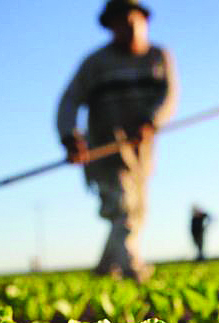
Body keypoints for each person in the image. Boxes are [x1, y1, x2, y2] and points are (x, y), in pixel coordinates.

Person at [56, 0, 178, 281]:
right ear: (111, 27)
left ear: (144, 21)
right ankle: (132, 270)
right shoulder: (95, 64)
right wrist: (69, 136)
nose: (129, 28)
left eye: (134, 21)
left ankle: (104, 269)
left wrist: (152, 121)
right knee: (122, 206)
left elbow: (168, 95)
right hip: (105, 149)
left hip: (141, 152)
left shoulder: (159, 57)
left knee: (136, 210)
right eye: (121, 23)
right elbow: (69, 100)